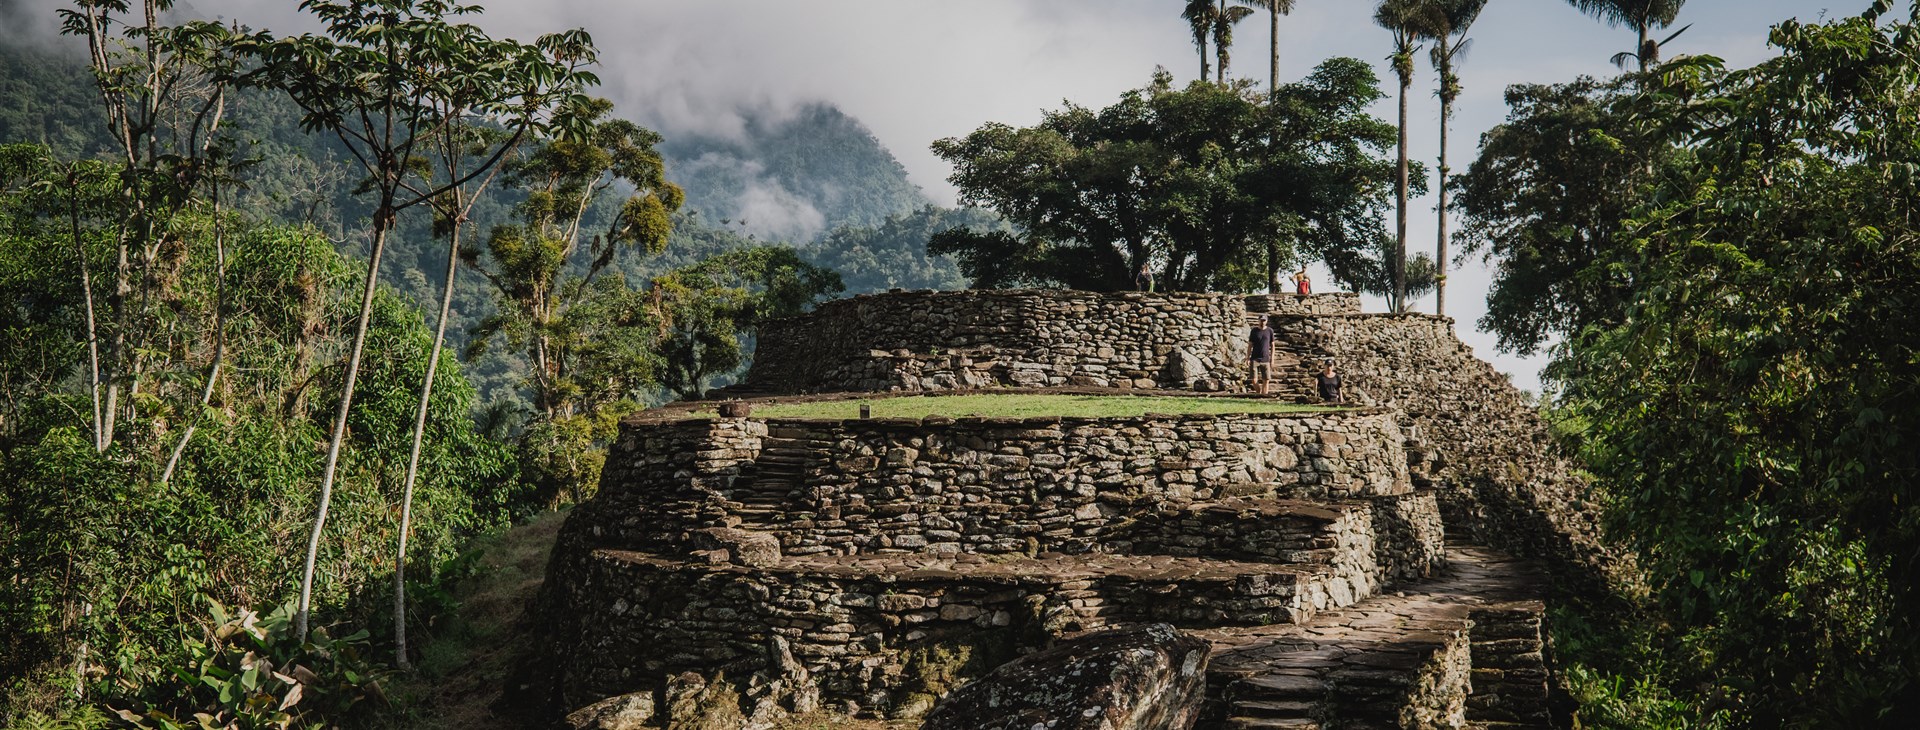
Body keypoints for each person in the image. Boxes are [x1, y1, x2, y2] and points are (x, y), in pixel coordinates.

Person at [1248, 316, 1274, 394]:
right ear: (1258, 321)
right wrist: (1247, 357)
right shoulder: (1254, 331)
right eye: (1261, 320)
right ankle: (1259, 393)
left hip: (1265, 358)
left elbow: (1272, 345)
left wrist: (1272, 359)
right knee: (1254, 379)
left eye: (1264, 320)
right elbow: (1250, 345)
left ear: (1266, 321)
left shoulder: (1270, 331)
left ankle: (1264, 396)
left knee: (1266, 379)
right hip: (1255, 358)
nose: (1262, 322)